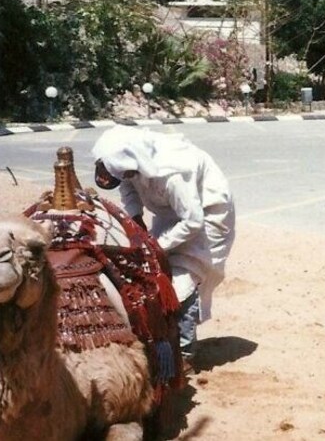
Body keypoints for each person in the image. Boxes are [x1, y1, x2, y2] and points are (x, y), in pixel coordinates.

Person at [91, 126, 235, 366]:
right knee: (156, 274)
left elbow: (193, 220)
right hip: (172, 214)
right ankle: (163, 338)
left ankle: (184, 353)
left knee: (182, 283)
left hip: (206, 215)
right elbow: (127, 186)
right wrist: (136, 221)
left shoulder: (173, 174)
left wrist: (156, 245)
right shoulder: (131, 165)